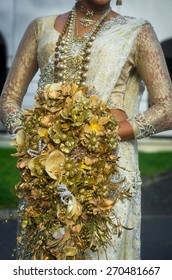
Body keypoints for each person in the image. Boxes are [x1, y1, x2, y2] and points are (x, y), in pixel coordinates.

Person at [0, 0, 172, 260]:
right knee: (47, 256)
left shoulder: (137, 31)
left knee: (100, 256)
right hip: (47, 167)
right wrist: (32, 134)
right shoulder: (40, 27)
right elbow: (8, 99)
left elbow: (167, 109)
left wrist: (102, 134)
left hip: (108, 168)